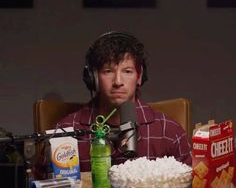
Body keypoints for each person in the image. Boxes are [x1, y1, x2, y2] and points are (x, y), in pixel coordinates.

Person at [56, 31, 192, 172]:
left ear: (139, 77)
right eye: (108, 71)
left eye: (127, 71)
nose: (118, 82)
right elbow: (41, 186)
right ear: (94, 79)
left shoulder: (169, 132)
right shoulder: (67, 131)